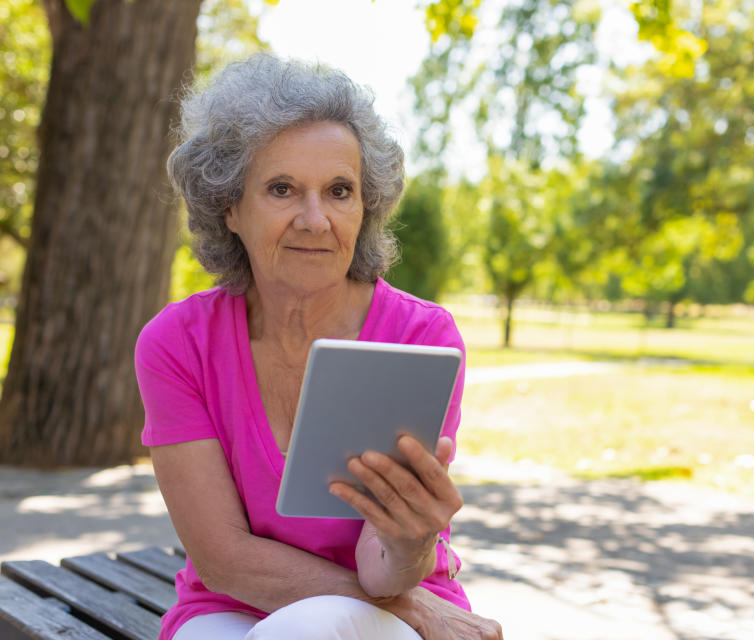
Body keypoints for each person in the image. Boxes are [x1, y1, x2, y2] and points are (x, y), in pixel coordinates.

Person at [135, 54, 502, 640]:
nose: (315, 219)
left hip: (378, 607)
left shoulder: (418, 338)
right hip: (231, 605)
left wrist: (411, 540)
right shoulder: (177, 343)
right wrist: (421, 612)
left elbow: (386, 575)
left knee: (318, 625)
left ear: (365, 208)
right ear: (229, 206)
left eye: (339, 191)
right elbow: (224, 559)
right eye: (282, 189)